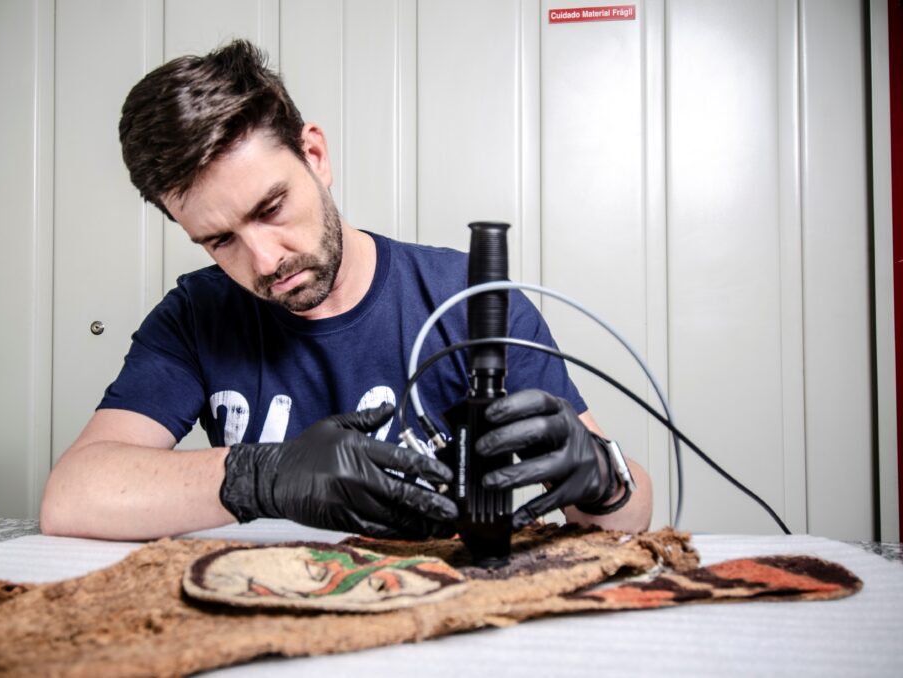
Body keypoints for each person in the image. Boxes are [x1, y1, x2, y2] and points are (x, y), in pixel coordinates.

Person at [39, 40, 652, 541]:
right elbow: (72, 496)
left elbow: (629, 521)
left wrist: (604, 479)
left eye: (272, 207)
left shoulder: (468, 299)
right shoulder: (196, 316)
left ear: (315, 154)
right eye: (219, 240)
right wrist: (264, 477)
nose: (265, 259)